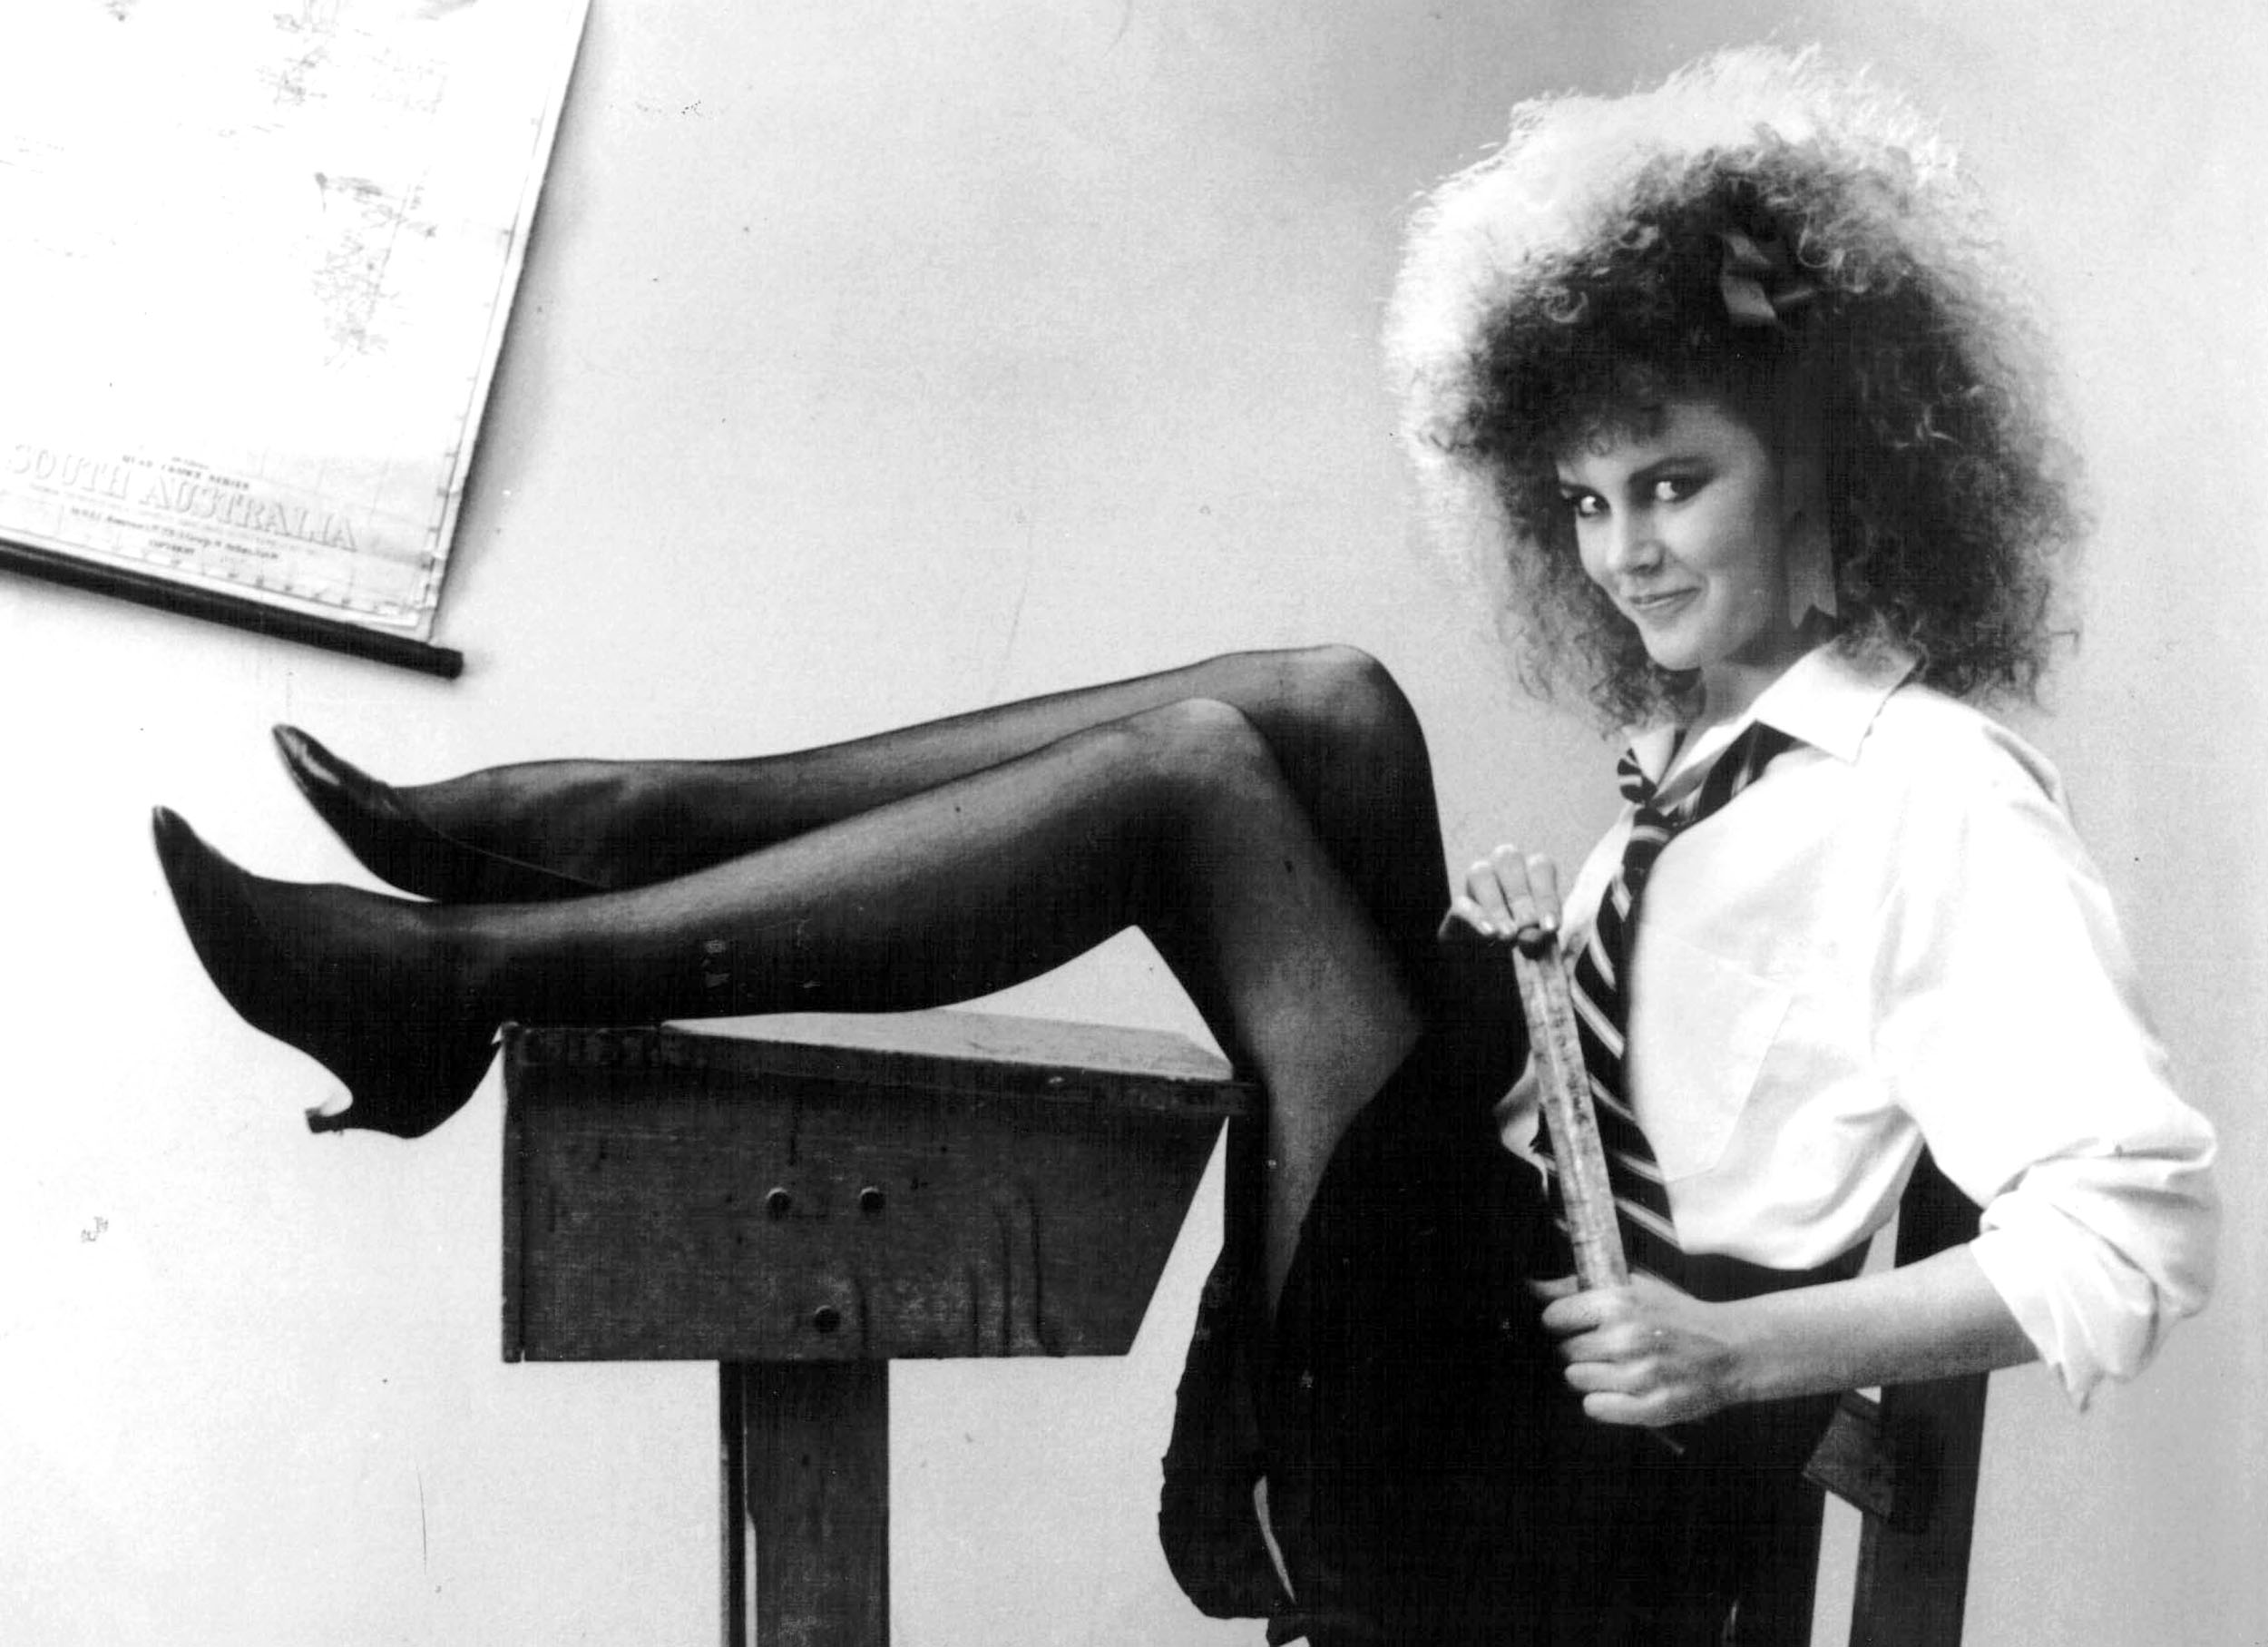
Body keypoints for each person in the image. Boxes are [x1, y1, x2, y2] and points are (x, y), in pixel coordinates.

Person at [153, 46, 2215, 1646]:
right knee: (1327, 705)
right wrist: (1546, 955)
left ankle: (476, 959)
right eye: (1585, 501)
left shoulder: (1939, 795)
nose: (1620, 552)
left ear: (1840, 470)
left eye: (1672, 484)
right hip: (1474, 1330)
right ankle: (599, 834)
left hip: (1559, 1498)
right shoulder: (1706, 772)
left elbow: (2129, 1239)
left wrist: (1742, 1347)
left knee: (1196, 789)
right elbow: (1680, 1089)